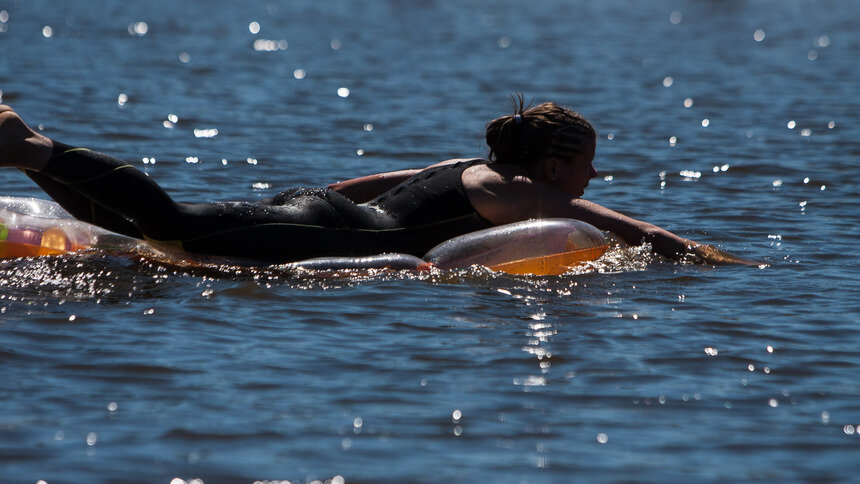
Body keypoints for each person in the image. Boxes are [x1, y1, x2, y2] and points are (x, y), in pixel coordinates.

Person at [0, 100, 749, 265]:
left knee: (150, 230)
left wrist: (298, 209)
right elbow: (639, 232)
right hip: (334, 233)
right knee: (176, 227)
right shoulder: (539, 195)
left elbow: (359, 182)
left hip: (317, 210)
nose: (593, 174)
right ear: (555, 167)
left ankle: (30, 150)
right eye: (586, 162)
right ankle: (30, 146)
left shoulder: (460, 167)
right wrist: (711, 261)